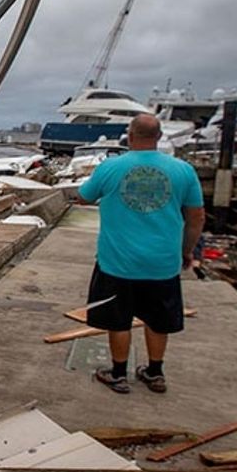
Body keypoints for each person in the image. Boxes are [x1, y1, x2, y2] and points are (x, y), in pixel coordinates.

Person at [78, 114, 205, 393]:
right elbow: (196, 217)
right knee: (158, 320)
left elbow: (84, 196)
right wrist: (186, 252)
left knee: (118, 319)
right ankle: (155, 373)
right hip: (162, 263)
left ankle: (119, 374)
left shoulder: (111, 167)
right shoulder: (183, 170)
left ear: (130, 135)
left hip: (116, 263)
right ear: (159, 138)